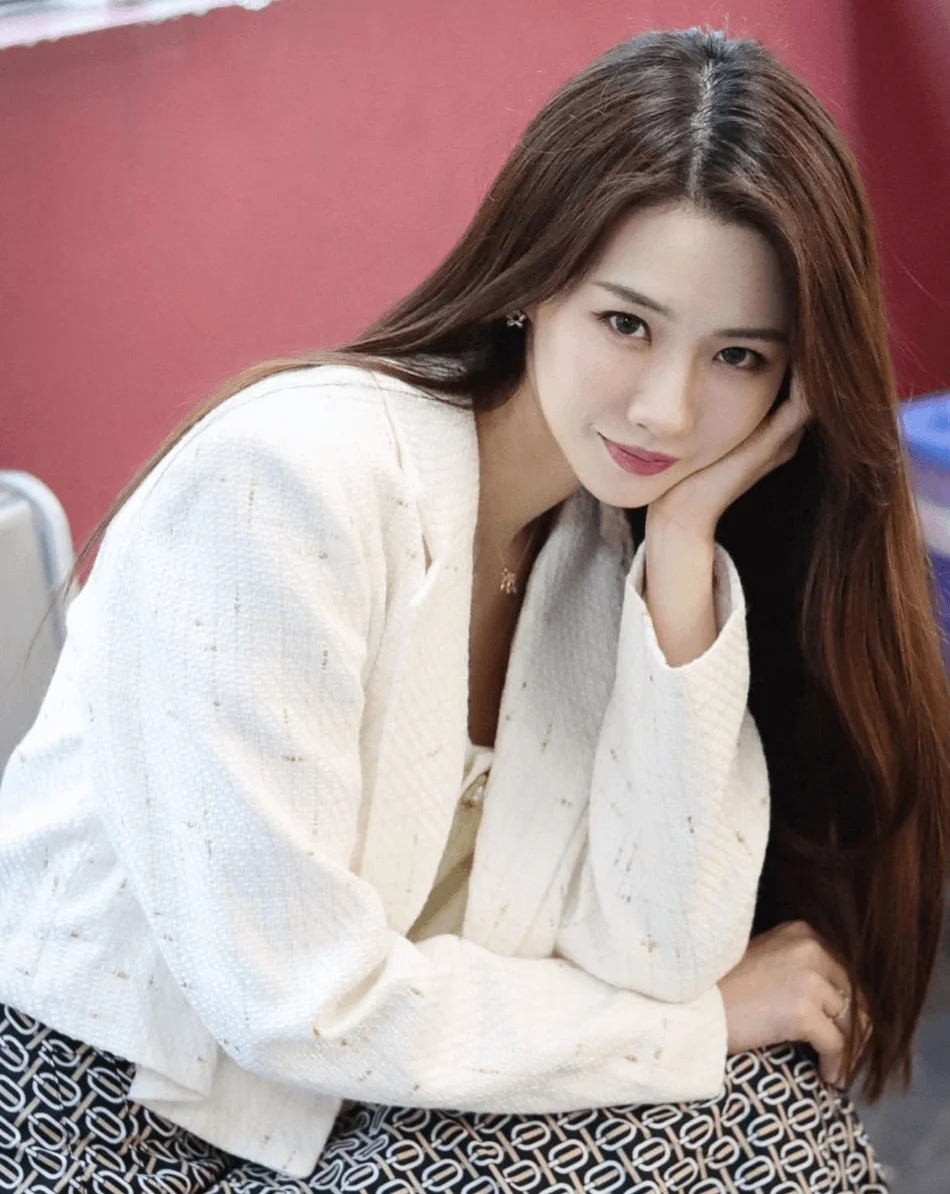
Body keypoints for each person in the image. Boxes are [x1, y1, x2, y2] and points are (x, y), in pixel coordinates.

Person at [0, 25, 947, 1194]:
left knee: (750, 1107)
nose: (665, 409)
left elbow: (661, 955)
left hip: (344, 1113)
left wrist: (681, 550)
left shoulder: (600, 560)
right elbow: (295, 1000)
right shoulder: (285, 483)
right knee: (734, 1107)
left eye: (738, 357)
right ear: (535, 280)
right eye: (626, 324)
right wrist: (693, 1025)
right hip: (114, 1130)